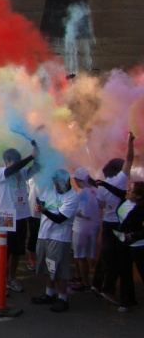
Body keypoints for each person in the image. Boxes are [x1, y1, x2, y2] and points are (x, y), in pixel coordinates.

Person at [0, 143, 39, 294]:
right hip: (4, 216)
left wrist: (38, 154)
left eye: (17, 161)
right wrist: (30, 157)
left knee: (16, 251)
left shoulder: (23, 172)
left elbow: (36, 168)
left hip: (20, 216)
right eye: (14, 162)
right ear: (6, 162)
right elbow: (13, 169)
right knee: (2, 252)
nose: (17, 165)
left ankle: (11, 279)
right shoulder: (1, 172)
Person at [92, 132, 135, 302]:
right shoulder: (118, 181)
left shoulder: (103, 186)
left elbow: (101, 206)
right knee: (118, 258)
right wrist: (130, 142)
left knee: (105, 253)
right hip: (119, 225)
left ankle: (96, 284)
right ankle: (108, 289)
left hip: (107, 223)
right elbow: (130, 159)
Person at [30, 169, 79, 312]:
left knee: (59, 269)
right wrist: (39, 206)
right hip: (44, 234)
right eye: (55, 183)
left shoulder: (72, 198)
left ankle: (63, 298)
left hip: (59, 238)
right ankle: (49, 293)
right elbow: (43, 201)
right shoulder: (51, 189)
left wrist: (44, 210)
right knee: (46, 266)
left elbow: (60, 219)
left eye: (59, 184)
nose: (57, 186)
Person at [95, 179, 144, 312]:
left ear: (139, 196)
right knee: (124, 271)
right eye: (128, 188)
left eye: (131, 190)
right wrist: (103, 184)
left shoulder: (141, 207)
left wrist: (133, 236)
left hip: (138, 244)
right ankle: (127, 301)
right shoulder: (126, 198)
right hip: (123, 241)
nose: (127, 191)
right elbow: (117, 191)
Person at [70, 168, 101, 292]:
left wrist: (70, 210)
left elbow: (85, 213)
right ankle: (78, 277)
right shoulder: (93, 190)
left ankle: (85, 283)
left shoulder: (85, 194)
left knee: (81, 256)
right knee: (79, 255)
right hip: (89, 226)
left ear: (78, 180)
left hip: (82, 228)